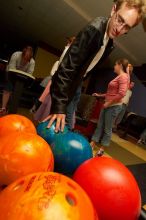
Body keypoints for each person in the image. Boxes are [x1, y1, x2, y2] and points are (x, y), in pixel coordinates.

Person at [43, 0, 146, 132]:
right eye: (120, 20)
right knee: (54, 129)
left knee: (65, 129)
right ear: (113, 10)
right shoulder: (94, 29)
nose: (119, 29)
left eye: (126, 27)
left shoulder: (110, 43)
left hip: (75, 85)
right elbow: (67, 67)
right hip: (64, 85)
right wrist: (59, 107)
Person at [90, 58, 130, 156]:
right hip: (108, 105)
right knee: (99, 126)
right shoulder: (119, 76)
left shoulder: (123, 77)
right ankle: (92, 143)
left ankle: (102, 149)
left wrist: (109, 103)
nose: (114, 66)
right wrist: (99, 95)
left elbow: (121, 94)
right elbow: (110, 93)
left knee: (107, 129)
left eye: (115, 64)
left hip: (113, 107)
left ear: (120, 65)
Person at [33, 37, 76, 124]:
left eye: (68, 43)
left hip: (62, 84)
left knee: (54, 103)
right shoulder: (70, 52)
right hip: (59, 83)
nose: (66, 45)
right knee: (51, 103)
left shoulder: (69, 51)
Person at [0, 46, 35, 115]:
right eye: (24, 58)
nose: (25, 61)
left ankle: (11, 109)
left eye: (27, 60)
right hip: (10, 73)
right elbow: (11, 68)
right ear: (22, 54)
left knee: (16, 91)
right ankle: (3, 108)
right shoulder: (16, 54)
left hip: (22, 79)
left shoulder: (32, 62)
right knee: (8, 88)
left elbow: (29, 73)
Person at [113, 63, 134, 131]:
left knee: (120, 117)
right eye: (131, 84)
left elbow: (128, 98)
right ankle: (111, 126)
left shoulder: (130, 92)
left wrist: (127, 104)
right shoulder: (124, 84)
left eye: (133, 85)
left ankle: (115, 126)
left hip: (124, 105)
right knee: (115, 114)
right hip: (120, 102)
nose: (132, 85)